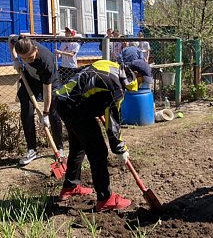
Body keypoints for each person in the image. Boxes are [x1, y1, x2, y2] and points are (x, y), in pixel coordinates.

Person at [55, 59, 153, 212]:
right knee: (98, 151)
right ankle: (105, 198)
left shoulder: (111, 66)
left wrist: (96, 106)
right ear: (136, 74)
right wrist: (120, 149)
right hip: (74, 106)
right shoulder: (116, 87)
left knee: (79, 145)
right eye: (142, 81)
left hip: (63, 99)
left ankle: (70, 186)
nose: (141, 85)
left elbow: (91, 83)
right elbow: (112, 124)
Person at [8, 35, 64, 165]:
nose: (27, 61)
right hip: (30, 81)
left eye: (30, 57)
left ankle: (59, 148)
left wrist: (45, 114)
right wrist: (15, 59)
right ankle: (31, 149)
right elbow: (10, 39)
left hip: (49, 84)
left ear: (35, 49)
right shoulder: (21, 43)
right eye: (24, 58)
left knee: (53, 114)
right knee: (26, 112)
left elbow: (47, 91)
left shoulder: (46, 61)